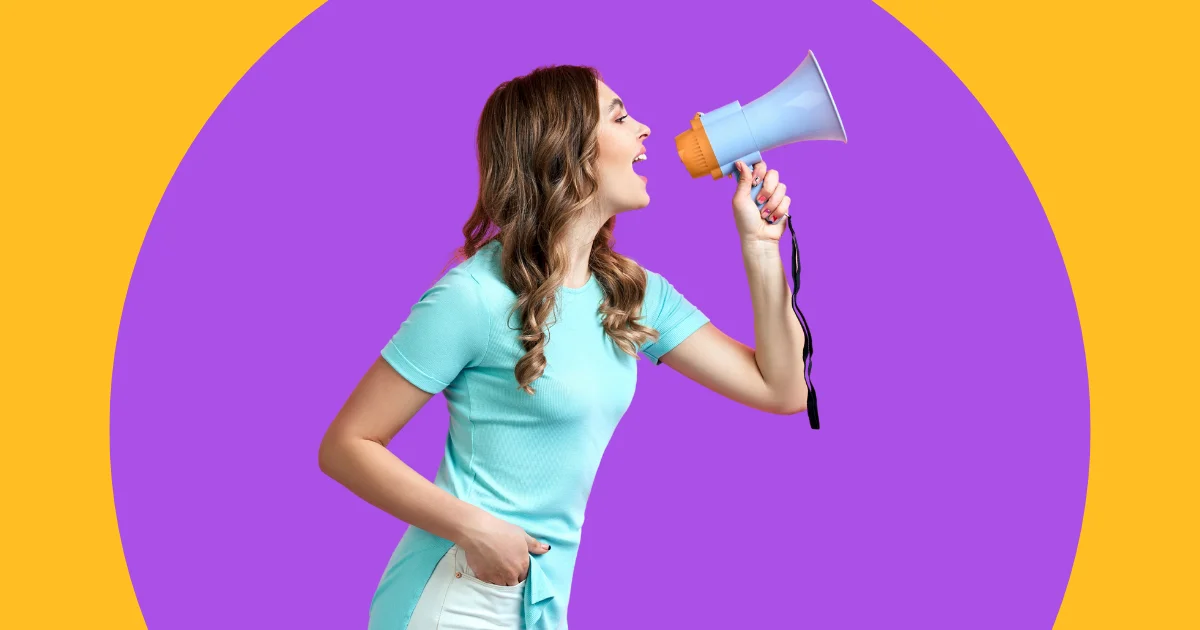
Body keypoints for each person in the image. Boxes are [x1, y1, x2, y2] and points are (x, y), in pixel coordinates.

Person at [318, 64, 810, 630]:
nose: (646, 129)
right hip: (461, 592)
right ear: (566, 150)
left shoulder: (632, 294)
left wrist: (761, 249)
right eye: (621, 117)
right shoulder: (474, 297)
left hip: (542, 600)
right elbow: (346, 444)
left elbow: (782, 389)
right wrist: (475, 528)